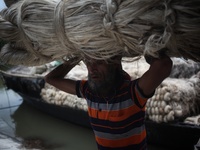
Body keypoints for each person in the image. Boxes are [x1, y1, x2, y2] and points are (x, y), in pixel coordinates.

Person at [45, 54, 173, 150]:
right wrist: (76, 58)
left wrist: (146, 49)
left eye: (99, 62)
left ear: (115, 63)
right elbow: (50, 79)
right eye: (88, 62)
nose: (92, 68)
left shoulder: (132, 93)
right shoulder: (90, 92)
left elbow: (164, 65)